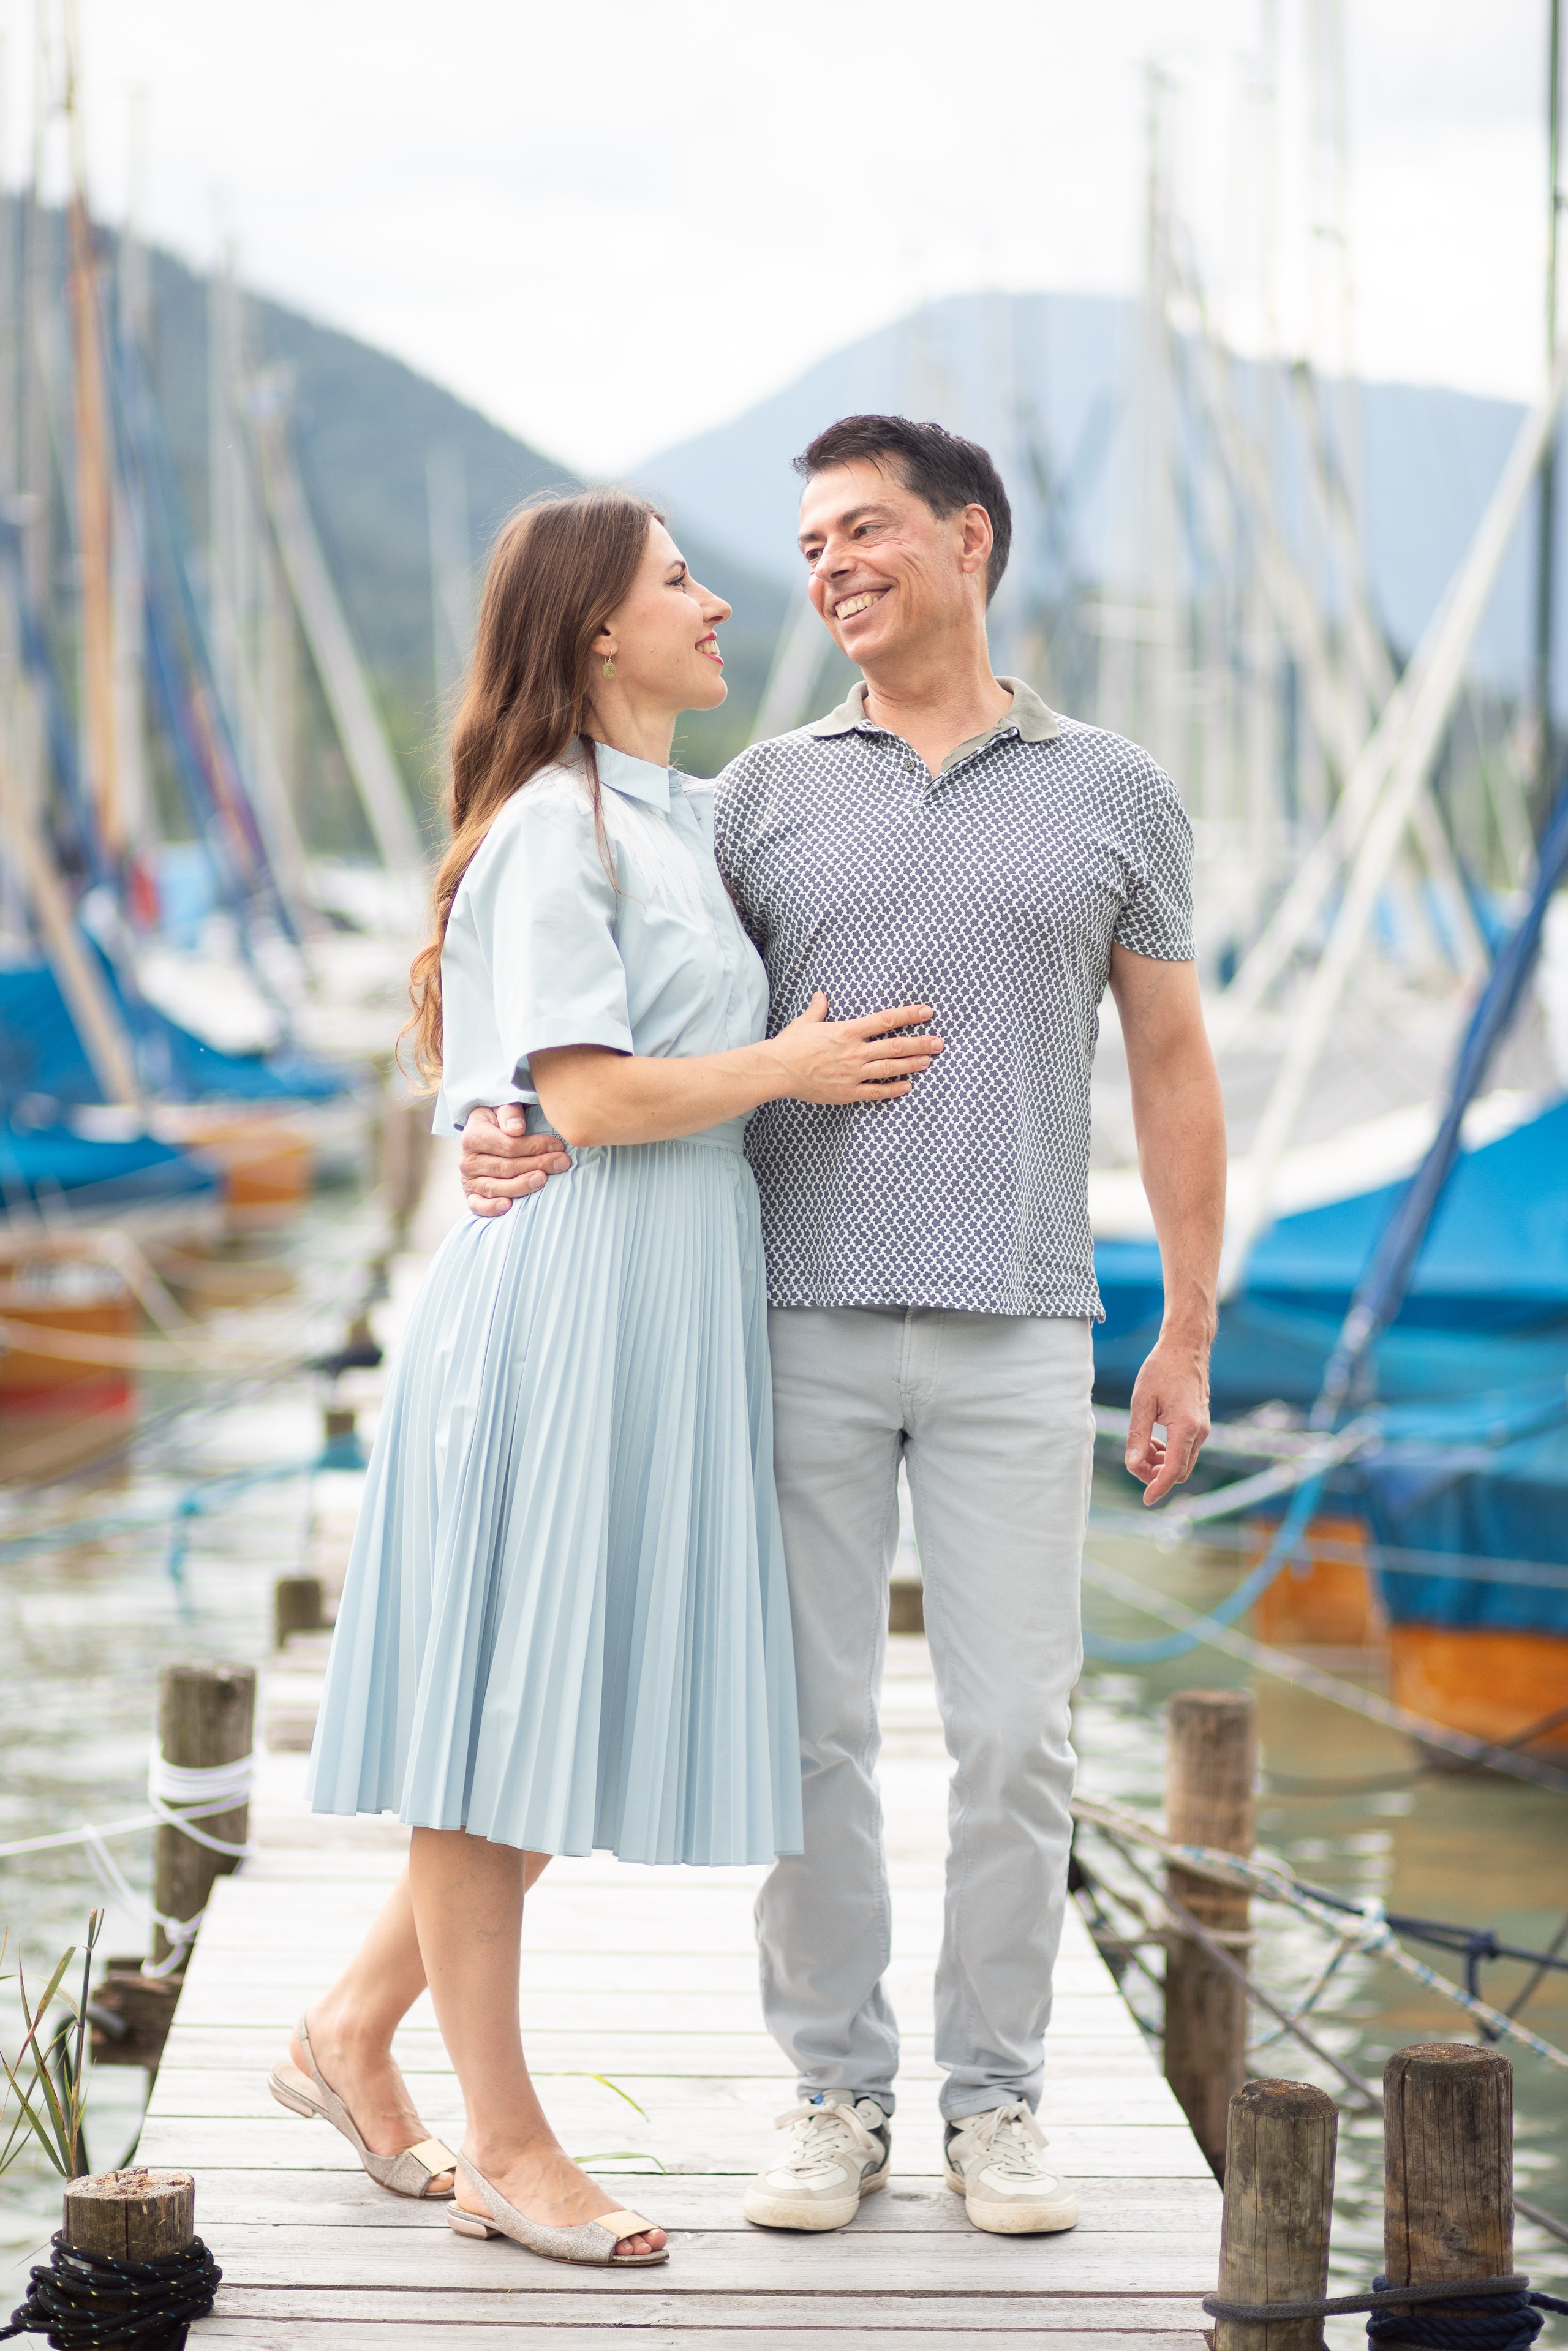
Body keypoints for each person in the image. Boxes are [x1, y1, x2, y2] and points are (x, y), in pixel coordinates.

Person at [460, 417, 1226, 2238]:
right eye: (808, 542)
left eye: (863, 528)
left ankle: (1000, 2107)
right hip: (781, 1319)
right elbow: (627, 1010)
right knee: (807, 1734)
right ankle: (831, 2093)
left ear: (970, 539)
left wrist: (1186, 1325)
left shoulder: (1118, 790)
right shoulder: (757, 796)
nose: (827, 567)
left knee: (1019, 1736)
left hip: (1025, 1322)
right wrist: (501, 1117)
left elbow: (1178, 1066)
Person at [271, 487, 944, 2270]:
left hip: (664, 1309)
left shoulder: (680, 816)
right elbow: (576, 1096)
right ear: (594, 630)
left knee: (548, 1714)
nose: (722, 604)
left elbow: (496, 1068)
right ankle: (506, 2143)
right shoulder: (551, 830)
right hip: (568, 1313)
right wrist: (787, 1067)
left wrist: (477, 1108)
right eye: (680, 584)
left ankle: (347, 2031)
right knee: (503, 1733)